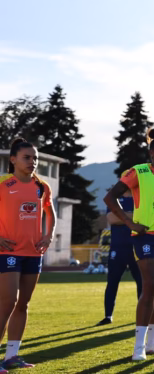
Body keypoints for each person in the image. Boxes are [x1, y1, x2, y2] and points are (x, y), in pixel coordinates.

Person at [104, 127, 154, 361]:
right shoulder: (138, 172)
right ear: (151, 153)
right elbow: (110, 198)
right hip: (145, 236)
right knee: (150, 284)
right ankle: (138, 347)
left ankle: (152, 343)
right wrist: (129, 222)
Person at [0, 138, 55, 370]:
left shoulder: (41, 186)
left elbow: (50, 213)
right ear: (13, 159)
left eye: (35, 158)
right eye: (27, 157)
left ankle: (11, 356)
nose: (32, 162)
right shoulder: (3, 184)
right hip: (7, 252)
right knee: (7, 302)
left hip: (33, 253)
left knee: (23, 303)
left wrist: (48, 236)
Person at [98, 191, 143, 325]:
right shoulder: (114, 199)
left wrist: (122, 216)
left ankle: (141, 315)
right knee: (112, 282)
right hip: (117, 248)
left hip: (136, 247)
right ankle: (108, 316)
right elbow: (111, 218)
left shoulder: (140, 198)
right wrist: (132, 217)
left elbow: (143, 218)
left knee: (141, 283)